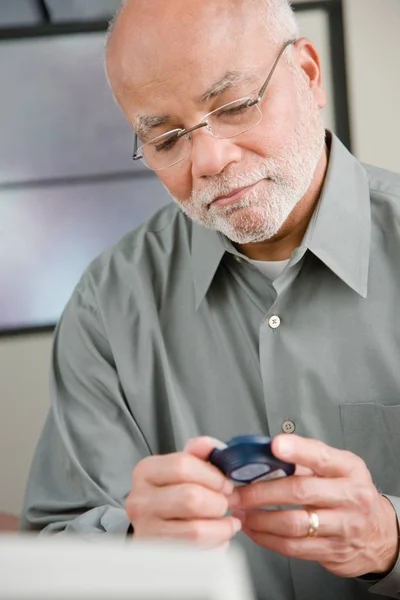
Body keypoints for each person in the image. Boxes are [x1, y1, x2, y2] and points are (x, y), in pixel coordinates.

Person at [21, 0, 400, 598]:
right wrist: (134, 549)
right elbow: (51, 557)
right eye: (166, 139)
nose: (209, 160)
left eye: (236, 105)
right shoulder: (106, 307)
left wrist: (390, 538)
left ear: (307, 75)